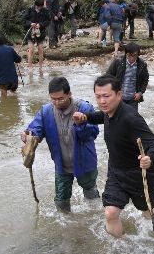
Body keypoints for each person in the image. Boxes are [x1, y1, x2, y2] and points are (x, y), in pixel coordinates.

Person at [73, 74, 154, 238]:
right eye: (98, 97)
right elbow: (101, 116)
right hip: (116, 171)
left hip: (140, 174)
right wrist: (85, 117)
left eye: (106, 96)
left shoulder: (131, 118)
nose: (102, 101)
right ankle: (119, 246)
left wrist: (149, 158)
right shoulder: (108, 112)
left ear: (119, 95)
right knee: (110, 213)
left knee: (147, 213)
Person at [21, 77, 100, 212]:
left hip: (85, 162)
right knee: (61, 201)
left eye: (60, 98)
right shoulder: (46, 112)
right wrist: (29, 136)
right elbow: (36, 129)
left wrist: (81, 123)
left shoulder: (84, 108)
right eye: (53, 99)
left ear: (69, 94)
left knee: (91, 195)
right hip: (61, 165)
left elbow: (93, 133)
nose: (57, 102)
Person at [106, 42, 149, 111]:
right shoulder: (118, 62)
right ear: (126, 53)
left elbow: (145, 80)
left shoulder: (142, 65)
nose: (132, 58)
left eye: (134, 55)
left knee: (133, 119)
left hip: (133, 99)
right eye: (129, 55)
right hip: (118, 98)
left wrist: (140, 93)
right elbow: (108, 77)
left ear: (138, 55)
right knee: (117, 118)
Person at [0, 33, 22, 98]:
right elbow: (18, 60)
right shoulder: (10, 49)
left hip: (2, 80)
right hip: (14, 79)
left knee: (4, 98)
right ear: (3, 41)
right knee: (14, 94)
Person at [23, 0, 50, 72]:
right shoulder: (29, 9)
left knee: (41, 50)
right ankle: (30, 67)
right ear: (36, 5)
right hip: (30, 32)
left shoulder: (45, 11)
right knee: (31, 50)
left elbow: (48, 21)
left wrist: (40, 25)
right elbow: (24, 20)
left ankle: (40, 67)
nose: (41, 7)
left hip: (41, 32)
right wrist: (30, 23)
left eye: (42, 6)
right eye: (40, 6)